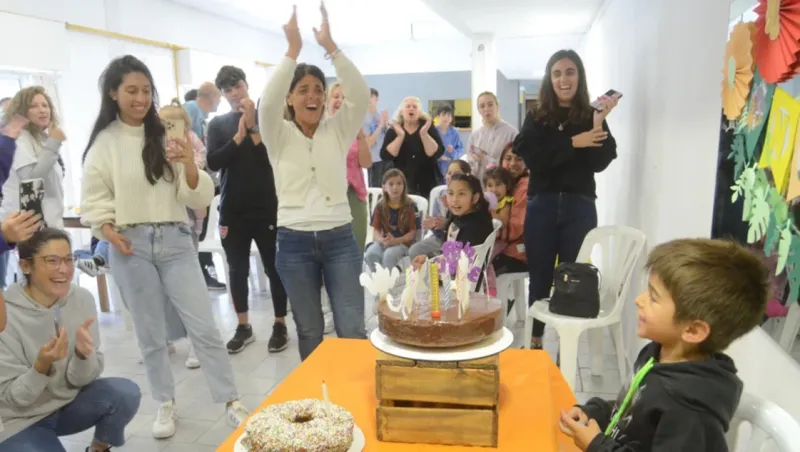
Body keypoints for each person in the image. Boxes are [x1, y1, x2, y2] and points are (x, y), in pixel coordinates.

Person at [81, 55, 248, 439]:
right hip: (129, 245)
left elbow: (198, 195)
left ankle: (230, 400)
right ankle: (165, 403)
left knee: (203, 326)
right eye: (131, 91)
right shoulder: (105, 142)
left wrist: (190, 163)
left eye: (145, 91)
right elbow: (94, 197)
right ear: (113, 93)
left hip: (175, 239)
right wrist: (106, 228)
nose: (140, 99)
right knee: (150, 333)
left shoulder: (170, 133)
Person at [559, 238, 769, 452]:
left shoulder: (690, 410)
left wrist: (596, 445)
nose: (638, 300)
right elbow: (633, 410)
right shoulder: (658, 353)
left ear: (693, 331)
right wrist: (595, 412)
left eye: (653, 297)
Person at [260, 4, 369, 361]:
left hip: (339, 237)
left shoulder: (337, 129)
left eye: (319, 89)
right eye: (303, 89)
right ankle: (318, 396)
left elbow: (359, 93)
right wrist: (292, 50)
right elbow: (267, 104)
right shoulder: (277, 134)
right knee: (308, 329)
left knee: (351, 327)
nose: (313, 96)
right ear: (289, 98)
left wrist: (331, 47)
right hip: (293, 242)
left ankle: (352, 392)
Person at [512, 49, 618, 349]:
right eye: (557, 73)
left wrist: (597, 125)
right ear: (549, 79)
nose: (563, 79)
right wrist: (574, 142)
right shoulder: (537, 115)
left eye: (570, 72)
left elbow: (599, 161)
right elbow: (534, 157)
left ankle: (567, 345)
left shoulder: (589, 114)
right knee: (541, 274)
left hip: (579, 206)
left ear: (579, 76)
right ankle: (535, 340)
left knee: (573, 277)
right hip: (542, 204)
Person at [0, 228, 142, 451]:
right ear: (25, 266)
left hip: (65, 405)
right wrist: (41, 367)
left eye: (68, 259)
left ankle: (98, 448)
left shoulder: (81, 298)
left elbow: (80, 380)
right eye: (52, 261)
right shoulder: (5, 315)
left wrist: (82, 355)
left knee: (125, 393)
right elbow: (11, 398)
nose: (64, 269)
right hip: (19, 419)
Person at [207, 65, 289, 355]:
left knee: (274, 267)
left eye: (237, 86)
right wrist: (238, 136)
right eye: (227, 89)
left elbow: (272, 158)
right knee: (237, 269)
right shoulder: (217, 125)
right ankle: (243, 326)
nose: (233, 93)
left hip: (267, 206)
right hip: (233, 209)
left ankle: (280, 323)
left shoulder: (269, 117)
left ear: (246, 85)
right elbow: (214, 162)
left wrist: (252, 126)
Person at [0, 87, 66, 230]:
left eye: (45, 105)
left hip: (49, 222)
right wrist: (53, 144)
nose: (42, 110)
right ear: (21, 111)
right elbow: (31, 181)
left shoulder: (41, 139)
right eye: (33, 106)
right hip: (30, 225)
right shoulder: (20, 138)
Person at [183, 83, 226, 291]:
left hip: (204, 178)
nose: (220, 103)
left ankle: (203, 271)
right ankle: (200, 273)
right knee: (197, 230)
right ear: (211, 97)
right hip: (194, 178)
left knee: (202, 226)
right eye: (219, 98)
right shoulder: (191, 108)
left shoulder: (203, 119)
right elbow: (190, 143)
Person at [411, 173, 493, 269]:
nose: (454, 200)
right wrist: (428, 258)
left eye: (461, 194)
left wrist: (430, 263)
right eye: (450, 193)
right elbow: (449, 252)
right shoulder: (459, 217)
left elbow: (458, 265)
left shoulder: (474, 227)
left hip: (465, 280)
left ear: (475, 198)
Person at [380, 97, 445, 199]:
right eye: (408, 106)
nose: (411, 108)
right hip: (400, 183)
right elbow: (386, 156)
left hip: (427, 182)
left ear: (419, 112)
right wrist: (400, 136)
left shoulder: (428, 128)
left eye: (415, 107)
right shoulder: (394, 130)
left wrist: (423, 134)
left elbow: (436, 153)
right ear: (402, 111)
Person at [410, 159, 471, 259]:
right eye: (449, 173)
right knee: (414, 250)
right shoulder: (440, 195)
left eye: (456, 173)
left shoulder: (467, 196)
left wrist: (446, 224)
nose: (451, 176)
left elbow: (465, 224)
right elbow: (437, 229)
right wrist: (434, 225)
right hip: (440, 238)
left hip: (458, 240)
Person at [364, 169, 419, 272]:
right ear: (384, 187)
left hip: (403, 244)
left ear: (404, 186)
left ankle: (389, 285)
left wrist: (396, 241)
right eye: (391, 184)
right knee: (371, 254)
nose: (395, 187)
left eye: (399, 183)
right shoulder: (380, 206)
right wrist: (382, 240)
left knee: (388, 256)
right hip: (385, 242)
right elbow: (376, 231)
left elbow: (413, 233)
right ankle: (379, 282)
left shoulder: (411, 206)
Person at [466, 92, 518, 181]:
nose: (486, 109)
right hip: (480, 186)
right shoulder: (475, 136)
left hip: (503, 185)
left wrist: (485, 158)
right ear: (478, 110)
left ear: (497, 106)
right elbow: (471, 165)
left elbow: (513, 163)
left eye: (490, 105)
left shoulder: (511, 133)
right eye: (482, 106)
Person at [483, 166, 514, 257]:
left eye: (498, 184)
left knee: (487, 257)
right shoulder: (485, 201)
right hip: (486, 237)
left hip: (499, 242)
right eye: (490, 185)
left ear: (507, 186)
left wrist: (491, 210)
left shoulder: (506, 202)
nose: (494, 189)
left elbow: (503, 223)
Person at [364, 88, 389, 187]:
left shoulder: (382, 114)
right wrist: (380, 126)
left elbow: (387, 135)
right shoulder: (363, 119)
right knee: (374, 189)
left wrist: (386, 124)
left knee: (386, 188)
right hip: (372, 159)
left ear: (376, 99)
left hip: (384, 158)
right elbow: (369, 143)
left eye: (371, 97)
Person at [435, 105, 464, 183]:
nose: (446, 118)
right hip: (435, 168)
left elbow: (460, 149)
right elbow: (428, 150)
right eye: (444, 115)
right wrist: (439, 157)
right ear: (438, 116)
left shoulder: (455, 132)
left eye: (449, 115)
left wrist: (452, 152)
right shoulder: (433, 131)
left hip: (450, 167)